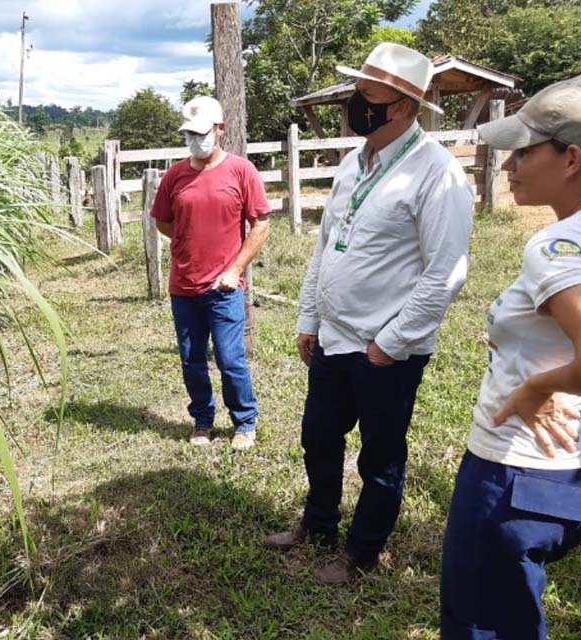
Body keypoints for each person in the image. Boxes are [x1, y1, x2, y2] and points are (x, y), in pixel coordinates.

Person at [439, 75, 581, 640]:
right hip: (578, 473)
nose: (509, 165)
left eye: (525, 150)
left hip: (515, 475)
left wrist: (540, 386)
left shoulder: (561, 246)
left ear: (572, 157)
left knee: (483, 625)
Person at [265, 42, 474, 583]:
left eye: (366, 94)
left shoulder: (438, 174)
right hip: (333, 338)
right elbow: (326, 245)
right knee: (318, 436)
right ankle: (318, 522)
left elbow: (446, 271)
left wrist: (391, 343)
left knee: (380, 457)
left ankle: (362, 552)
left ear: (402, 105)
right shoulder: (353, 164)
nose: (355, 103)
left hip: (385, 349)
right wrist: (309, 317)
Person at [150, 96, 272, 451]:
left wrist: (235, 268)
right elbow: (162, 220)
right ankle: (202, 421)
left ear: (221, 130)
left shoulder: (241, 171)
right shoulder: (175, 176)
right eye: (189, 134)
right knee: (191, 359)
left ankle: (244, 422)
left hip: (224, 287)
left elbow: (260, 224)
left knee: (230, 358)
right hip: (184, 286)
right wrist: (189, 241)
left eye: (202, 133)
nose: (195, 140)